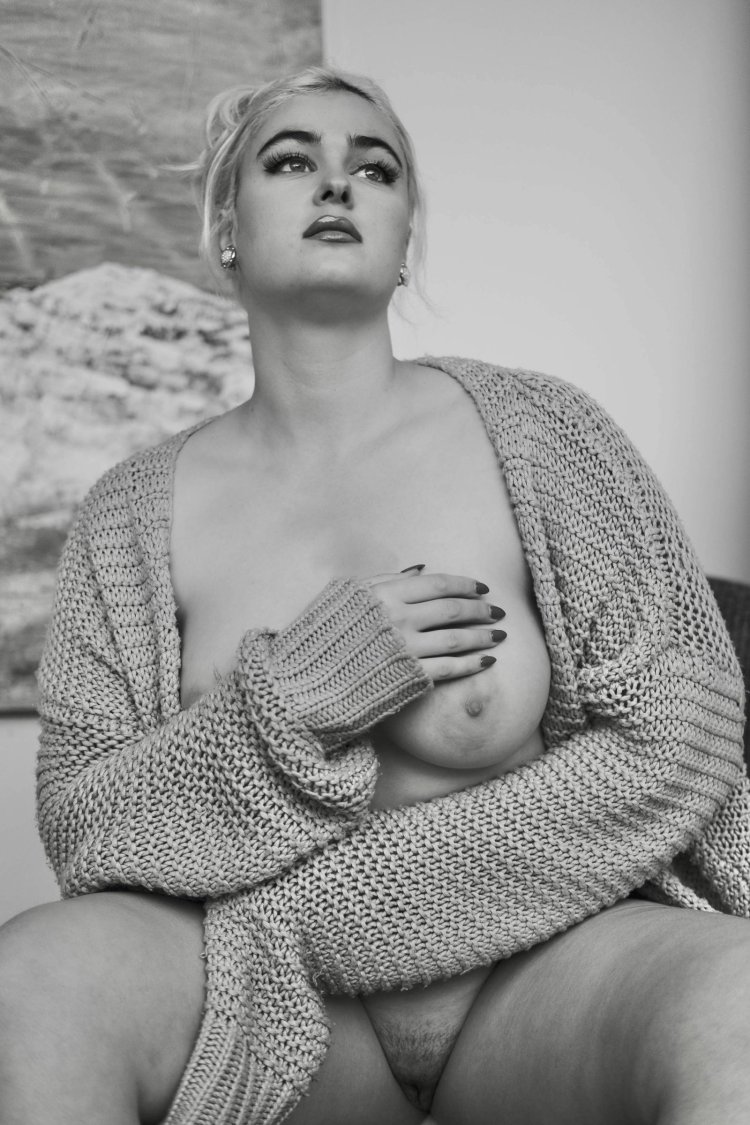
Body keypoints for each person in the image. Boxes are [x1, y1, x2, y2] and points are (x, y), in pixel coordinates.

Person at [0, 65, 748, 1125]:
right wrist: (292, 703)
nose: (337, 184)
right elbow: (85, 824)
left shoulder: (543, 432)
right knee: (28, 983)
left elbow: (689, 732)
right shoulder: (128, 515)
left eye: (375, 168)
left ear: (405, 239)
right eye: (290, 161)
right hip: (270, 1004)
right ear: (226, 229)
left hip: (538, 977)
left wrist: (320, 916)